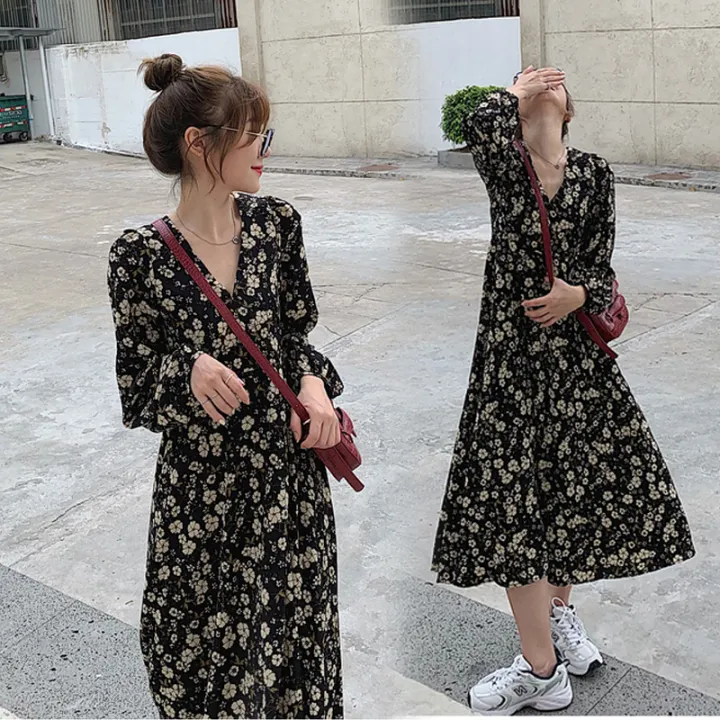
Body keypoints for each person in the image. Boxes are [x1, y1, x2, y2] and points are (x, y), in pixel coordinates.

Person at [431, 66, 695, 715]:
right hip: (511, 364)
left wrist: (580, 294)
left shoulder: (595, 173)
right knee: (514, 504)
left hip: (576, 361)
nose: (544, 82)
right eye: (528, 81)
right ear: (518, 108)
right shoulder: (507, 164)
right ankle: (542, 668)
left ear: (570, 108)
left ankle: (555, 621)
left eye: (552, 80)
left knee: (568, 493)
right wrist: (515, 93)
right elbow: (476, 124)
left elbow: (601, 265)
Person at [107, 53, 345, 719]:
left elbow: (296, 335)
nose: (265, 150)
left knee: (296, 657)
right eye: (253, 136)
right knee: (206, 667)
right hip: (202, 504)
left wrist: (314, 386)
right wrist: (185, 370)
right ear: (199, 143)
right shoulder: (138, 256)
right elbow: (136, 390)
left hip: (289, 490)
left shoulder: (277, 224)